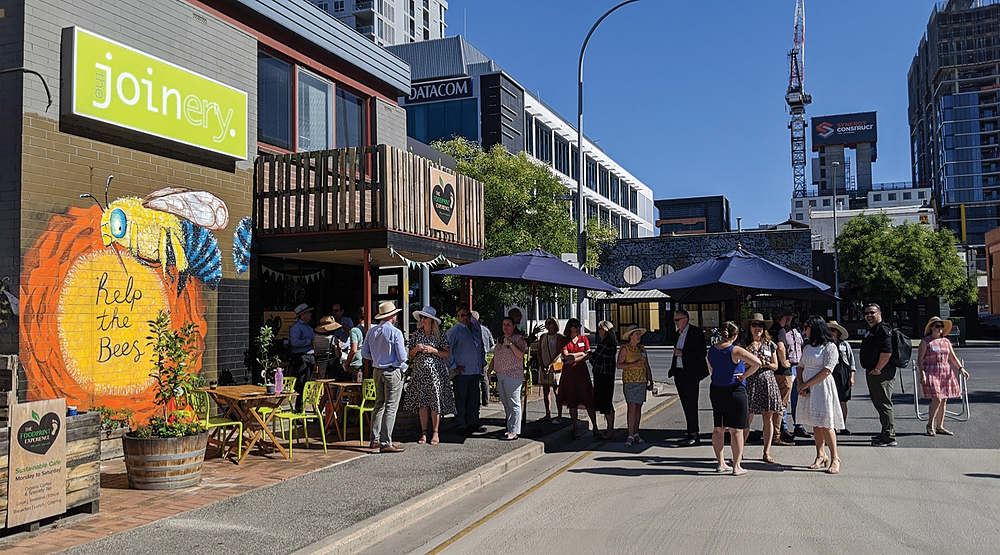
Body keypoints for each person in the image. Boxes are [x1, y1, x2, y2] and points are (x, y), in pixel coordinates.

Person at [706, 322, 761, 476]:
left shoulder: (712, 349)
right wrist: (744, 375)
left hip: (717, 389)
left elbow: (711, 368)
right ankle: (737, 465)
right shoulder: (735, 350)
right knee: (736, 429)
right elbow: (757, 363)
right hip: (734, 390)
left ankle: (720, 462)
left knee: (719, 428)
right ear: (735, 335)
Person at [796, 315, 845, 474]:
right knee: (815, 424)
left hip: (822, 387)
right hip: (808, 387)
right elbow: (800, 366)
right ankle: (820, 454)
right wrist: (800, 385)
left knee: (826, 423)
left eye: (807, 327)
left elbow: (827, 370)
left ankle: (835, 457)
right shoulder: (808, 347)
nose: (804, 331)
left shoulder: (829, 347)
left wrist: (806, 384)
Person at [360, 301, 408, 453]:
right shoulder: (395, 332)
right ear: (393, 316)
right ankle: (386, 442)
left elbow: (364, 353)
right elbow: (402, 357)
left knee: (379, 404)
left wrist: (376, 359)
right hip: (392, 370)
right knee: (391, 407)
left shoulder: (372, 331)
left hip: (377, 370)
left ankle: (375, 439)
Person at [404, 306, 454, 446]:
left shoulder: (439, 334)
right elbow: (410, 355)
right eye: (421, 317)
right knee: (423, 403)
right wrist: (416, 349)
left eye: (425, 317)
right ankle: (424, 432)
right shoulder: (417, 334)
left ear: (431, 320)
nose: (422, 320)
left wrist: (433, 350)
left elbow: (447, 353)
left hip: (436, 373)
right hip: (420, 373)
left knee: (435, 402)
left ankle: (436, 432)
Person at [741, 313, 784, 464]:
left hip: (767, 381)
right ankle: (739, 451)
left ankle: (767, 452)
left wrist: (765, 364)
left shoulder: (769, 345)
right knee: (748, 417)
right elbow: (739, 364)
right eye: (754, 325)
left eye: (760, 325)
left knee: (768, 417)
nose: (757, 328)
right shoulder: (743, 344)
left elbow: (776, 366)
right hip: (750, 382)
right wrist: (753, 362)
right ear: (749, 327)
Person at [917, 316, 968, 437]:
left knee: (944, 400)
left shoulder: (946, 342)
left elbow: (953, 357)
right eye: (937, 326)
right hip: (931, 371)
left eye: (941, 326)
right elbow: (920, 359)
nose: (939, 328)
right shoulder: (925, 342)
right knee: (937, 398)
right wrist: (922, 373)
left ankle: (940, 426)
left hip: (945, 371)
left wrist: (961, 368)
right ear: (931, 328)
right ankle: (930, 424)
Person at [669, 309, 708, 446]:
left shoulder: (695, 332)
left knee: (691, 403)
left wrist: (683, 354)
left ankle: (694, 435)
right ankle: (689, 432)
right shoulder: (677, 334)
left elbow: (701, 352)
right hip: (679, 372)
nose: (675, 322)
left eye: (677, 320)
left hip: (691, 373)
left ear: (685, 320)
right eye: (674, 320)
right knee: (685, 403)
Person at [859, 303, 896, 446]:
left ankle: (889, 437)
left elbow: (887, 352)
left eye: (872, 312)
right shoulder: (873, 330)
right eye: (866, 313)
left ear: (879, 313)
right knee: (879, 403)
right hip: (874, 372)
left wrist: (878, 368)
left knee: (884, 403)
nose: (869, 315)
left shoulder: (883, 330)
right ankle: (885, 432)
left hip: (882, 373)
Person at [557, 318, 600, 439]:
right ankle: (575, 427)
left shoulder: (583, 339)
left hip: (581, 372)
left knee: (588, 399)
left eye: (578, 326)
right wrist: (580, 353)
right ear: (570, 327)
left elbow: (588, 354)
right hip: (569, 374)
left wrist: (575, 358)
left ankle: (595, 426)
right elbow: (565, 355)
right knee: (572, 400)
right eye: (575, 326)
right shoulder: (564, 340)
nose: (577, 328)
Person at [447, 304, 486, 436]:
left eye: (468, 315)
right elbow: (447, 350)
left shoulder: (474, 330)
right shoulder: (454, 331)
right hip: (462, 373)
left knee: (474, 399)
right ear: (457, 317)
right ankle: (461, 424)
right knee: (461, 399)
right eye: (462, 315)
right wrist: (453, 366)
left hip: (474, 371)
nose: (466, 318)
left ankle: (472, 423)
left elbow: (480, 348)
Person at [492, 317, 528, 441]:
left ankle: (514, 430)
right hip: (500, 375)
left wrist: (511, 344)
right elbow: (496, 355)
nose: (506, 327)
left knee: (514, 403)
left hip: (512, 376)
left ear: (513, 326)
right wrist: (490, 369)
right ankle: (509, 427)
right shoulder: (500, 339)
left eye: (508, 324)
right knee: (506, 404)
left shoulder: (519, 339)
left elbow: (520, 355)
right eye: (504, 324)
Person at [618, 325, 654, 446]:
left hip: (641, 381)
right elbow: (619, 365)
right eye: (636, 334)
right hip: (629, 381)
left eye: (639, 334)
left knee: (638, 407)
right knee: (632, 407)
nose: (639, 336)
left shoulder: (642, 349)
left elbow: (647, 365)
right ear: (630, 336)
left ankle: (636, 433)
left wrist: (651, 380)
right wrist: (633, 364)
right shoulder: (625, 349)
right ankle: (630, 434)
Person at [768, 307, 795, 446]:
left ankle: (771, 433)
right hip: (783, 373)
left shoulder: (769, 329)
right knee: (781, 405)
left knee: (772, 406)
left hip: (771, 371)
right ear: (783, 318)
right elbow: (780, 347)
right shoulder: (780, 330)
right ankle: (777, 436)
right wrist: (784, 362)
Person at [531, 317, 565, 424]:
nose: (547, 324)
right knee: (546, 391)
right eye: (546, 322)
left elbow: (559, 352)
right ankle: (548, 413)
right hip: (544, 365)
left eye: (550, 323)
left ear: (555, 325)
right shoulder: (543, 337)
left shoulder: (559, 337)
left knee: (556, 391)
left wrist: (551, 364)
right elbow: (539, 351)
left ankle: (559, 415)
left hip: (555, 366)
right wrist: (542, 364)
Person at [827, 320, 856, 434]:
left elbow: (851, 361)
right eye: (829, 330)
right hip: (830, 372)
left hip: (843, 372)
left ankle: (842, 425)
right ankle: (831, 426)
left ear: (838, 332)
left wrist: (851, 376)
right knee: (830, 401)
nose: (831, 332)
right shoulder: (825, 345)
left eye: (833, 330)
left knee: (843, 401)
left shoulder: (845, 344)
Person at [592, 320, 618, 439]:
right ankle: (610, 428)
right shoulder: (612, 344)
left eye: (600, 329)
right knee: (608, 401)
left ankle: (609, 430)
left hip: (602, 375)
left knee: (605, 403)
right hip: (609, 375)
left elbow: (594, 359)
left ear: (605, 331)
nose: (598, 332)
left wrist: (589, 355)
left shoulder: (604, 344)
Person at [785, 313, 810, 439]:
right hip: (787, 366)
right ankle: (783, 427)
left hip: (798, 366)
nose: (788, 318)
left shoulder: (797, 329)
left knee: (798, 398)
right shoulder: (780, 331)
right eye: (785, 315)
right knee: (785, 399)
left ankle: (798, 426)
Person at [288, 303, 316, 412]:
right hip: (301, 356)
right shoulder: (295, 327)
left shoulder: (309, 327)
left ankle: (304, 407)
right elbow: (294, 343)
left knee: (308, 382)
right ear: (302, 314)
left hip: (310, 356)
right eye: (308, 312)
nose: (310, 314)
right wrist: (309, 342)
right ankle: (298, 408)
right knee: (301, 381)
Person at [472, 310, 494, 407]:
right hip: (484, 354)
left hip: (473, 355)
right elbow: (492, 344)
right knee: (484, 377)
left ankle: (476, 400)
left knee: (474, 378)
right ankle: (486, 400)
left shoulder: (471, 330)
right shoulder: (486, 330)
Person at [346, 306, 366, 382]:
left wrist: (347, 364)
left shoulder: (354, 330)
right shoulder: (374, 328)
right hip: (370, 362)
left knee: (355, 389)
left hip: (357, 363)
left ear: (358, 316)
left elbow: (354, 350)